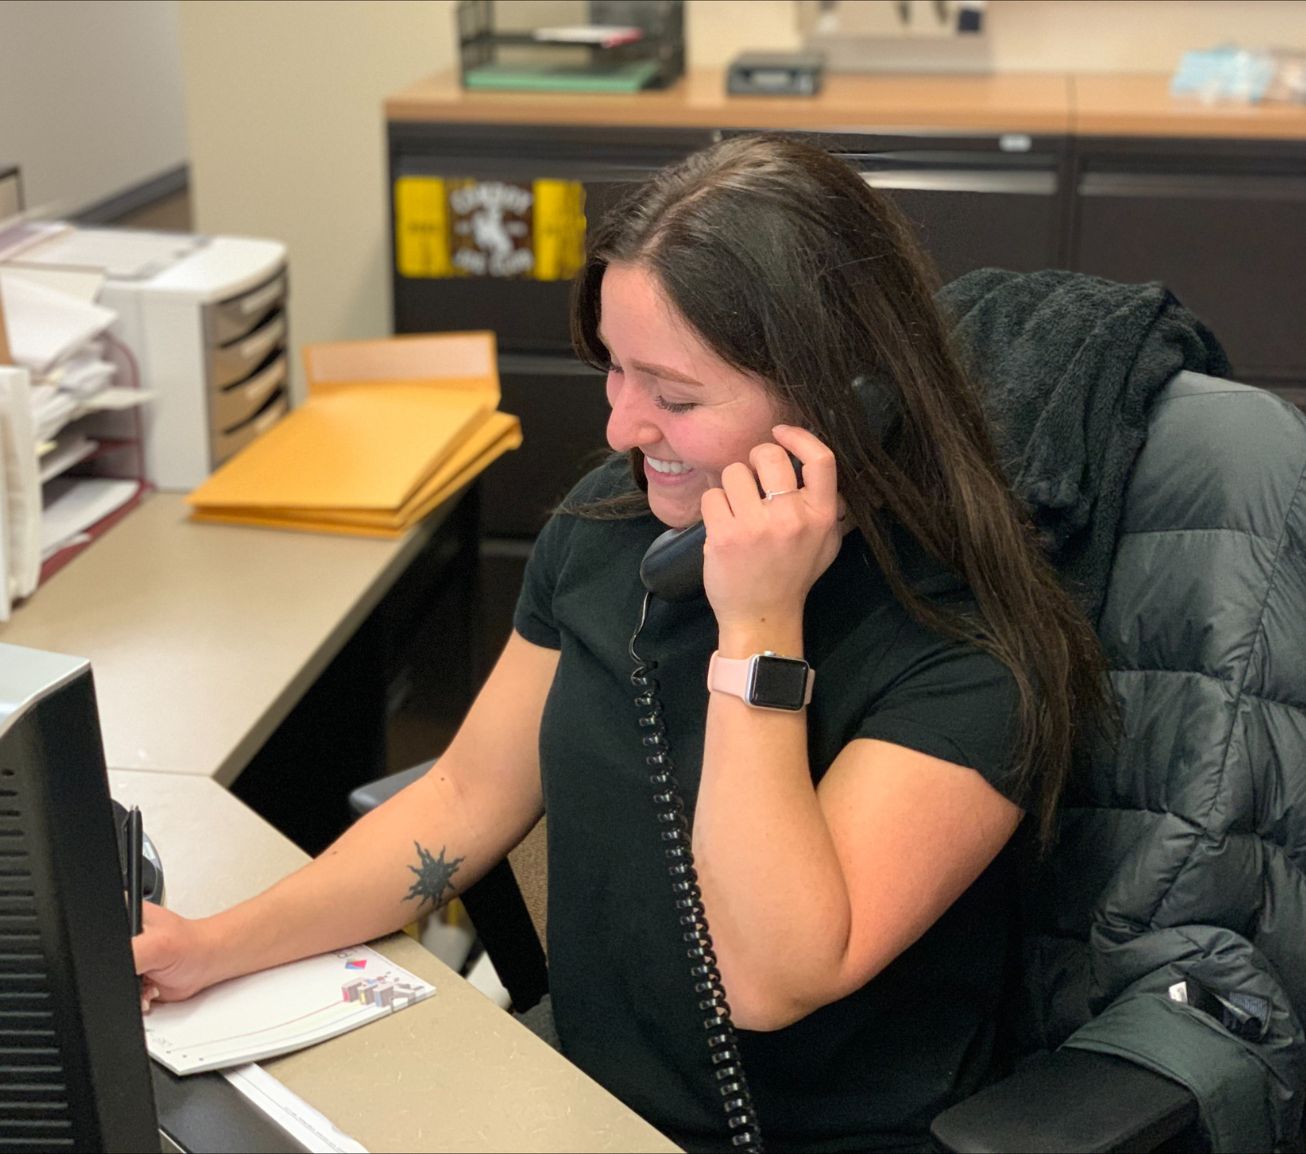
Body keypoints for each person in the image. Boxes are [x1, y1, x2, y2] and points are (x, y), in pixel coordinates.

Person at [134, 134, 1111, 1153]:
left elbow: (770, 977)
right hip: (574, 1099)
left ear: (842, 395)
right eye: (615, 370)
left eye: (674, 395)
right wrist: (213, 946)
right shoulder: (615, 529)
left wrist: (758, 625)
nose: (620, 428)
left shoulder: (970, 652)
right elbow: (466, 795)